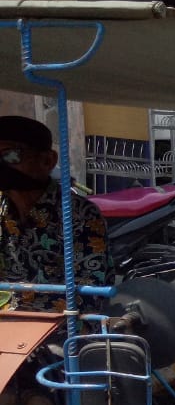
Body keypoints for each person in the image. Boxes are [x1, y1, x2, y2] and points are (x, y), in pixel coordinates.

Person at [0, 116, 115, 312]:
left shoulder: (80, 215)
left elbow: (88, 293)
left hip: (61, 328)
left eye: (10, 156)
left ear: (47, 161)